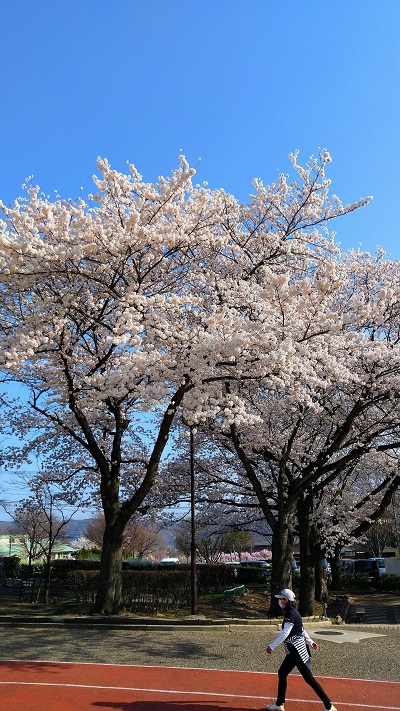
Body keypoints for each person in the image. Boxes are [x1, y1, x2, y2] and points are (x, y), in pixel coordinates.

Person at [265, 588, 337, 711]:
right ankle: (279, 704)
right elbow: (301, 630)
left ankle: (329, 705)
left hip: (296, 650)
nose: (279, 601)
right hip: (295, 650)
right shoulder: (294, 612)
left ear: (286, 600)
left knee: (308, 678)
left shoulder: (290, 613)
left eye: (281, 599)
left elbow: (285, 633)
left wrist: (271, 646)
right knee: (282, 673)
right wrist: (310, 641)